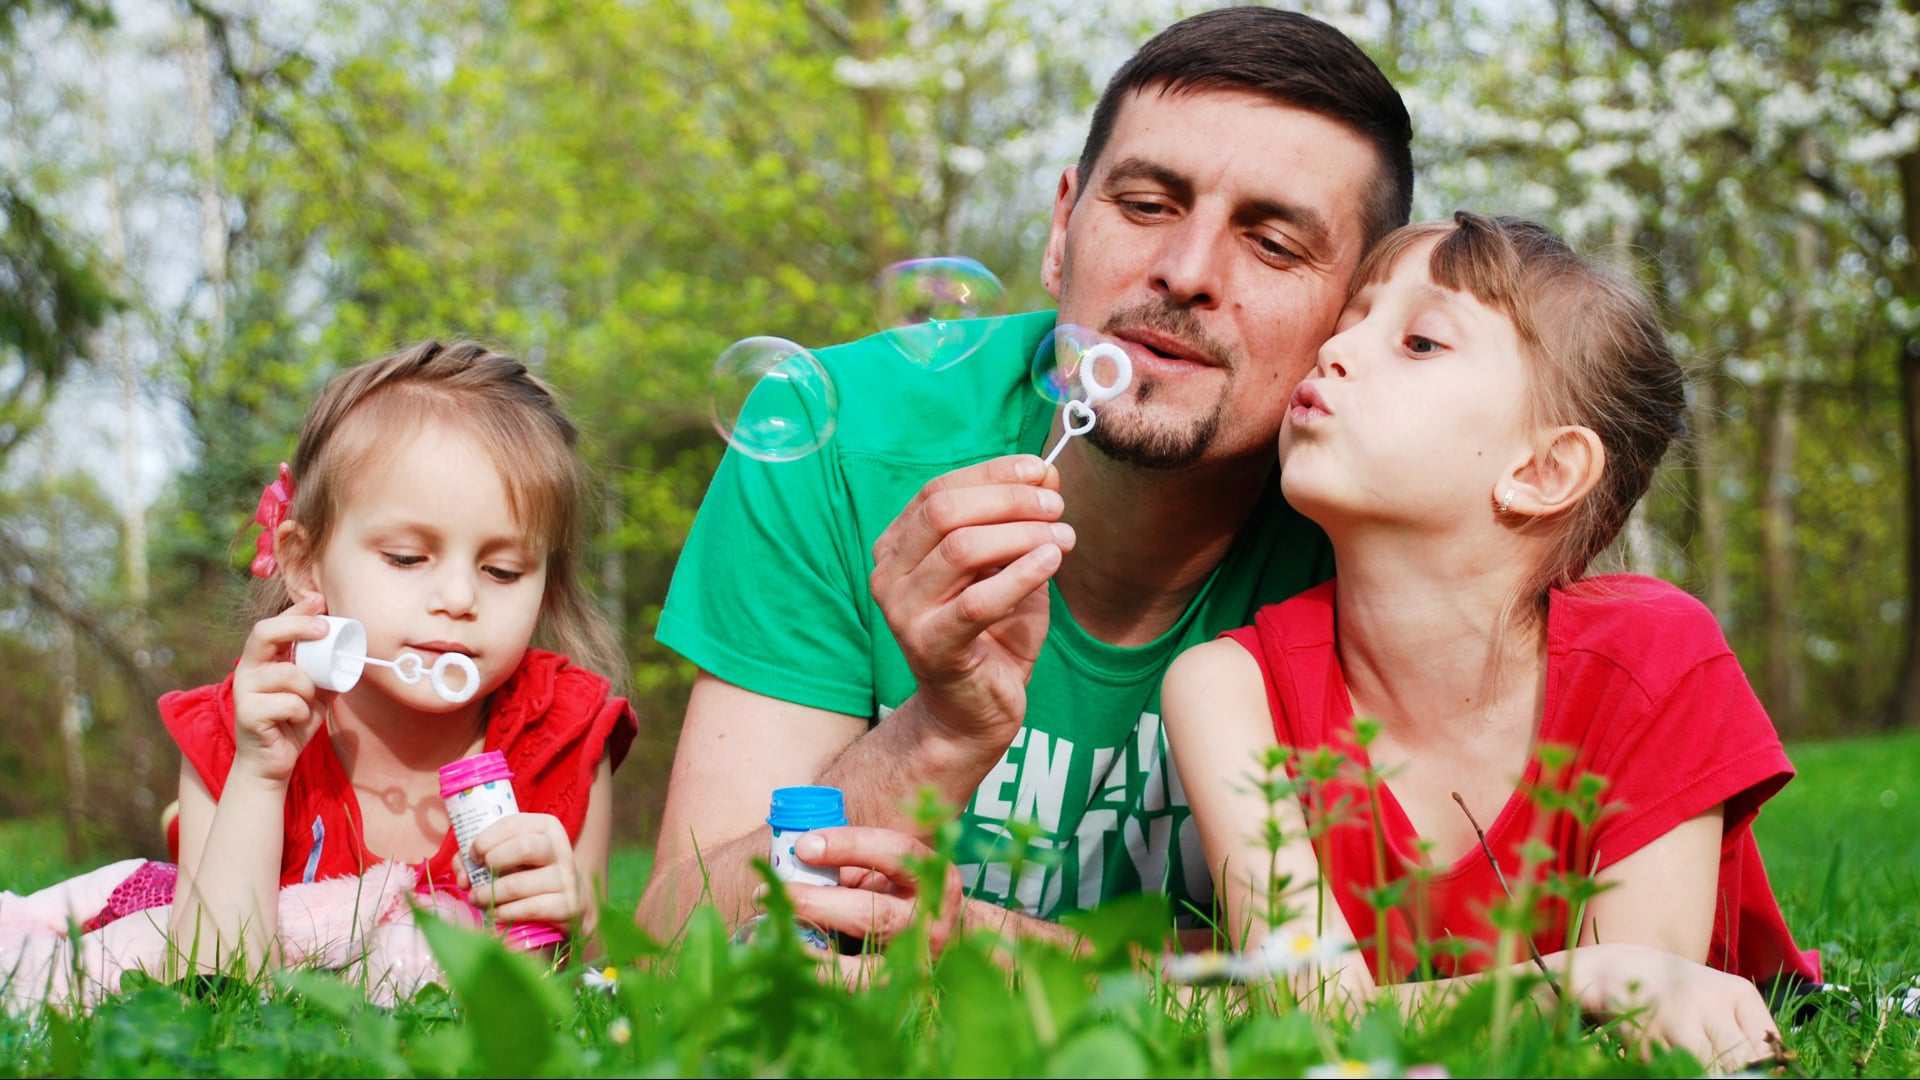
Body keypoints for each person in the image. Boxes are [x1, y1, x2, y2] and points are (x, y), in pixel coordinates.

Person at [639, 6, 1413, 954]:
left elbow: (1384, 987)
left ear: (1354, 319)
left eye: (1273, 244)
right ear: (1061, 228)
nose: (1185, 271)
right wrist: (937, 736)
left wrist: (1000, 954)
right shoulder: (831, 431)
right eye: (1146, 205)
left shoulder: (1385, 523)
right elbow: (674, 939)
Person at [1160, 212, 1818, 1069]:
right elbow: (1313, 1007)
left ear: (1542, 470)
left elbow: (1640, 1021)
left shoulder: (1654, 657)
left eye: (1421, 341)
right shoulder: (1224, 686)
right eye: (1350, 318)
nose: (1336, 349)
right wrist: (1581, 975)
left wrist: (1614, 980)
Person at [160, 339, 638, 967]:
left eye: (503, 570)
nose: (460, 597)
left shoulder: (563, 733)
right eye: (407, 558)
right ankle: (181, 840)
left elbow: (599, 987)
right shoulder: (238, 733)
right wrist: (259, 777)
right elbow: (207, 984)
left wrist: (579, 915)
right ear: (305, 564)